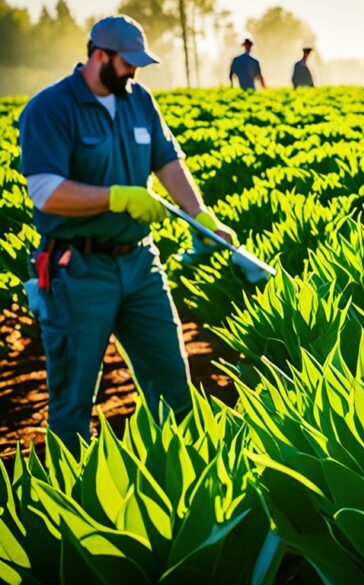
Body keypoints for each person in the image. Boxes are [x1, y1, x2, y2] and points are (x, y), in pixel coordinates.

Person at [17, 14, 236, 455]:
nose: (134, 71)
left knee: (172, 379)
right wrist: (116, 197)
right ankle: (76, 493)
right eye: (127, 62)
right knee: (74, 396)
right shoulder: (50, 108)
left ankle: (181, 480)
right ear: (99, 55)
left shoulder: (139, 101)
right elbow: (45, 193)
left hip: (139, 263)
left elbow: (167, 162)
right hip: (77, 269)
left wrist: (201, 214)